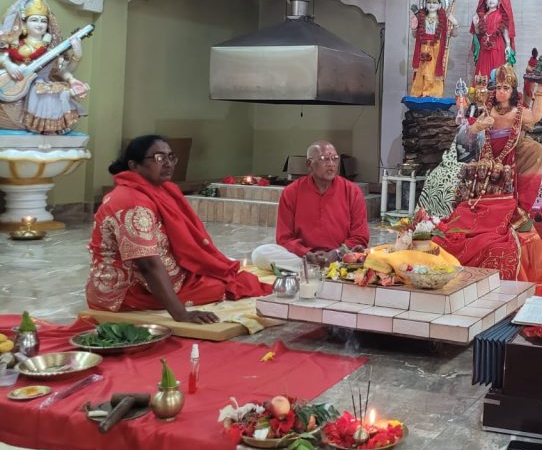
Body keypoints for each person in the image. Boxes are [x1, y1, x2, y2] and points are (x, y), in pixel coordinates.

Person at [86, 135, 270, 323]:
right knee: (220, 286)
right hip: (128, 291)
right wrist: (180, 314)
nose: (168, 163)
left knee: (220, 271)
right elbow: (147, 264)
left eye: (171, 157)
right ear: (134, 165)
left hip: (162, 274)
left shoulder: (157, 190)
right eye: (159, 158)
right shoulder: (132, 202)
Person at [435, 65, 542, 294]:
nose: (502, 92)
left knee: (535, 149)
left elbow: (537, 115)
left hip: (511, 159)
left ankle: (519, 211)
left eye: (506, 88)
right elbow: (468, 136)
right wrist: (476, 128)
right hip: (486, 163)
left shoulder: (518, 112)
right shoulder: (488, 111)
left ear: (513, 91)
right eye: (499, 88)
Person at [252, 141, 369, 272]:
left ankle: (314, 270)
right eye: (324, 159)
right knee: (260, 253)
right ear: (309, 164)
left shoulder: (352, 191)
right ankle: (315, 268)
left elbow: (360, 236)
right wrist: (306, 254)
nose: (331, 164)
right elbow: (284, 238)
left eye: (335, 159)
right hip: (304, 257)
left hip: (341, 255)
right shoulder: (291, 192)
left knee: (372, 256)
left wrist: (336, 253)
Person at [0, 0, 88, 133]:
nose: (39, 24)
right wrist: (9, 65)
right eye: (34, 20)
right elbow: (2, 55)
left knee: (51, 92)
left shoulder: (53, 47)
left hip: (43, 86)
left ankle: (49, 126)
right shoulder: (15, 43)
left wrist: (77, 58)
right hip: (18, 88)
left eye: (43, 21)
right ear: (24, 22)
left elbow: (61, 71)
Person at [409, 0, 457, 98]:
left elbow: (454, 34)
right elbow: (415, 36)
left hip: (437, 48)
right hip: (423, 48)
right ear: (425, 4)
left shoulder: (443, 18)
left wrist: (455, 24)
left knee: (433, 71)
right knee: (423, 70)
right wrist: (413, 28)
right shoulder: (421, 17)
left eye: (434, 2)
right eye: (429, 2)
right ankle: (421, 93)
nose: (431, 4)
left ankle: (433, 94)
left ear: (439, 5)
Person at [470, 0, 516, 78]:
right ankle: (482, 91)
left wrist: (507, 45)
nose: (491, 1)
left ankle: (497, 91)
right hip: (484, 46)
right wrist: (475, 25)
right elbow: (478, 33)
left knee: (497, 71)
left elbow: (505, 31)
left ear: (499, 1)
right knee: (482, 72)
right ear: (486, 2)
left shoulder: (501, 15)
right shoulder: (482, 16)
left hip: (498, 45)